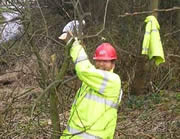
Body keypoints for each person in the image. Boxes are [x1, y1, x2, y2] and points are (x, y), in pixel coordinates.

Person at [59, 20, 123, 139]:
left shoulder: (113, 81)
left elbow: (84, 70)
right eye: (98, 61)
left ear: (113, 63)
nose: (101, 64)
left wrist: (74, 44)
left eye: (105, 61)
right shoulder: (93, 79)